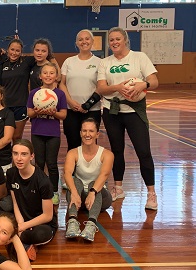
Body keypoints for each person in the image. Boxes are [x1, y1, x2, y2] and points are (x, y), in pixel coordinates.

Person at [97, 27, 159, 210]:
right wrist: (117, 87)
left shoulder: (139, 57)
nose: (114, 42)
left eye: (117, 39)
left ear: (125, 40)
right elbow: (101, 88)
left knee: (143, 151)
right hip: (112, 110)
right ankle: (118, 188)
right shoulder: (105, 62)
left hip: (134, 111)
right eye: (111, 40)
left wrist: (143, 84)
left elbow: (154, 81)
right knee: (117, 150)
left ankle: (151, 193)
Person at [63, 118, 114, 242]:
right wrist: (74, 193)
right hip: (79, 197)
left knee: (94, 183)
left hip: (100, 197)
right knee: (75, 182)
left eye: (91, 131)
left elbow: (104, 175)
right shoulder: (73, 153)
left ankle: (91, 225)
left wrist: (92, 192)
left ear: (97, 134)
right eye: (84, 131)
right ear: (80, 133)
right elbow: (67, 173)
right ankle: (73, 222)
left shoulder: (107, 154)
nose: (87, 134)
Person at [7, 139, 58, 260]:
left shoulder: (43, 181)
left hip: (42, 224)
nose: (19, 158)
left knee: (39, 234)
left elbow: (47, 216)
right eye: (15, 153)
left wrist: (22, 227)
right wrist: (20, 223)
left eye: (24, 154)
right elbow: (15, 202)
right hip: (22, 220)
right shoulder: (11, 173)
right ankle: (25, 244)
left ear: (32, 156)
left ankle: (17, 240)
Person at [27, 63, 67, 198]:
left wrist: (54, 113)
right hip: (37, 133)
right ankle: (39, 190)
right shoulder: (34, 93)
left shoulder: (60, 94)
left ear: (56, 76)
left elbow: (63, 115)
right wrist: (36, 112)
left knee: (52, 164)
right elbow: (30, 113)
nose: (48, 75)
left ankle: (54, 191)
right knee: (39, 163)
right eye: (45, 73)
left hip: (53, 134)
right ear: (40, 76)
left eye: (51, 73)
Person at [59, 29, 103, 151]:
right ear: (76, 43)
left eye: (87, 38)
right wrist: (71, 102)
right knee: (73, 145)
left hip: (92, 111)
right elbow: (62, 84)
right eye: (80, 39)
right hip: (71, 111)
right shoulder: (69, 61)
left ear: (92, 41)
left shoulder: (100, 62)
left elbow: (101, 87)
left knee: (90, 145)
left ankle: (91, 170)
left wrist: (87, 105)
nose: (84, 41)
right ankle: (73, 170)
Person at [1, 38, 35, 141]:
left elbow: (48, 56)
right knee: (5, 137)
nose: (14, 53)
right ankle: (6, 157)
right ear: (7, 50)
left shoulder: (27, 61)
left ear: (21, 52)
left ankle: (16, 157)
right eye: (12, 50)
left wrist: (58, 75)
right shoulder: (2, 62)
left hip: (20, 105)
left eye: (17, 50)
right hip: (4, 106)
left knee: (16, 137)